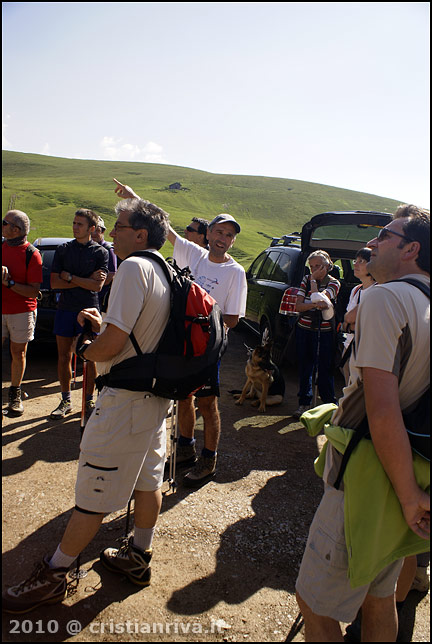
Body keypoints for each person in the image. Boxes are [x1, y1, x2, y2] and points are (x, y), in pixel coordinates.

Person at [2, 196, 173, 614]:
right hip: (155, 399)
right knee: (148, 480)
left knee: (94, 489)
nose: (110, 233)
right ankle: (139, 556)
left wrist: (91, 349)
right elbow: (140, 333)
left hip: (125, 402)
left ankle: (55, 574)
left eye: (119, 226)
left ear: (141, 234)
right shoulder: (165, 271)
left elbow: (113, 346)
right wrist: (106, 328)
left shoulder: (133, 267)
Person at [295, 204, 430, 642]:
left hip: (369, 470)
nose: (371, 243)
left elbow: (381, 407)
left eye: (385, 235)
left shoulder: (384, 297)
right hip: (411, 463)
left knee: (313, 602)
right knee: (380, 595)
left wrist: (410, 497)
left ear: (411, 248)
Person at [113, 178, 247, 486]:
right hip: (183, 341)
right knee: (183, 397)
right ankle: (185, 450)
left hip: (209, 347)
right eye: (219, 232)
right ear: (209, 234)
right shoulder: (194, 253)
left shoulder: (235, 273)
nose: (223, 239)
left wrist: (205, 327)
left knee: (207, 403)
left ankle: (209, 460)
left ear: (232, 242)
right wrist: (134, 198)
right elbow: (165, 229)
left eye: (229, 236)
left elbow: (233, 319)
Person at [49, 209, 109, 420]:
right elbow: (54, 282)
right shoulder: (63, 249)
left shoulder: (100, 252)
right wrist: (84, 280)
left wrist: (70, 276)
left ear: (91, 229)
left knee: (89, 356)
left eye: (80, 224)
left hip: (90, 310)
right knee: (63, 356)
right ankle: (65, 400)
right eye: (74, 223)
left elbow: (97, 286)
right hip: (65, 309)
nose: (75, 227)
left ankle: (88, 400)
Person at [2, 210, 43, 416]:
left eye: (4, 223)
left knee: (18, 353)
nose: (2, 226)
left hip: (21, 311)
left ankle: (15, 394)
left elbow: (34, 291)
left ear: (15, 229)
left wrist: (8, 282)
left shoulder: (32, 254)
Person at [293, 250, 340, 418]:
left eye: (317, 266)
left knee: (325, 369)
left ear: (327, 266)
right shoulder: (306, 279)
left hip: (325, 332)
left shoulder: (334, 283)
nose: (313, 270)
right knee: (305, 367)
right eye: (311, 267)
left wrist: (311, 298)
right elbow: (298, 306)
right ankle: (304, 404)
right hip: (304, 330)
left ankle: (329, 407)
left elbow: (320, 299)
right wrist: (314, 303)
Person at [340, 247, 376, 384]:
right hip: (348, 346)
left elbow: (349, 319)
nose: (356, 264)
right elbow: (347, 320)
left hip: (365, 351)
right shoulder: (356, 290)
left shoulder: (378, 291)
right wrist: (351, 323)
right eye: (356, 260)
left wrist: (350, 322)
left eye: (362, 261)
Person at [91, 216, 117, 310]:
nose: (93, 234)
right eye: (92, 230)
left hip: (101, 298)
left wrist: (93, 285)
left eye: (97, 231)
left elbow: (111, 275)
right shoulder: (91, 248)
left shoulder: (108, 249)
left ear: (103, 232)